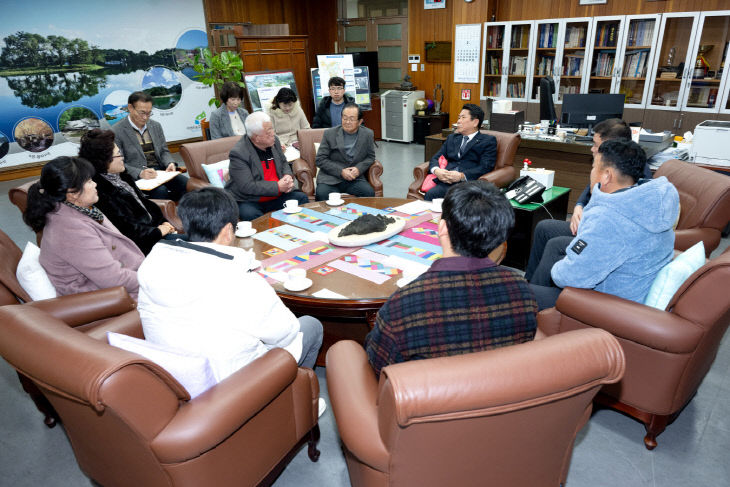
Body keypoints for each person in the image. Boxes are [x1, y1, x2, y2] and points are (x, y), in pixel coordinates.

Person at [137, 187, 323, 379]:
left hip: (178, 375)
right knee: (311, 325)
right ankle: (298, 399)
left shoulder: (153, 265)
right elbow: (285, 333)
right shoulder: (241, 281)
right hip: (234, 384)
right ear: (227, 231)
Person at [365, 180, 538, 376]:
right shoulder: (523, 292)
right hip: (499, 393)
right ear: (500, 235)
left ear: (442, 228)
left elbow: (378, 366)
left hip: (426, 403)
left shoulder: (403, 304)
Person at [529, 139, 679, 310]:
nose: (591, 172)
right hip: (630, 292)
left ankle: (535, 311)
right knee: (555, 247)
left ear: (607, 176)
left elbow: (567, 277)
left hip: (605, 305)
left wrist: (559, 266)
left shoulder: (609, 220)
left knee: (517, 293)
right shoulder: (647, 201)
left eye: (594, 167)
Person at [524, 118, 652, 285]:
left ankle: (537, 291)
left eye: (596, 144)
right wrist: (579, 206)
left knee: (556, 245)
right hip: (592, 224)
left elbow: (613, 227)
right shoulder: (614, 166)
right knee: (544, 227)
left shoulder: (633, 174)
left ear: (612, 145)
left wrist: (589, 221)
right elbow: (590, 189)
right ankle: (530, 281)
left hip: (602, 235)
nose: (592, 149)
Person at [23, 156, 144, 300]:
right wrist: (153, 281)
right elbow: (112, 278)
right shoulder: (69, 230)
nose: (95, 184)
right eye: (88, 181)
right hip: (106, 299)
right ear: (72, 193)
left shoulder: (78, 209)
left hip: (121, 283)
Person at [79, 128, 177, 255]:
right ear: (103, 160)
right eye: (119, 154)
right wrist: (159, 231)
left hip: (156, 235)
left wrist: (164, 223)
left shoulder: (122, 176)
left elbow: (144, 204)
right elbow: (127, 231)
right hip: (142, 247)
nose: (122, 158)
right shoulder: (99, 192)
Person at [226, 111, 309, 220]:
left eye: (272, 128)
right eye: (268, 132)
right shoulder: (239, 153)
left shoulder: (275, 141)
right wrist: (278, 187)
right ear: (256, 138)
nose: (273, 134)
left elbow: (283, 162)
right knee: (251, 215)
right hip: (251, 199)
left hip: (278, 195)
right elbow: (247, 186)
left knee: (301, 198)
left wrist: (287, 176)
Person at [111, 91, 188, 201]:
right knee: (161, 192)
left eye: (149, 113)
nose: (145, 117)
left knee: (186, 184)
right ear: (130, 108)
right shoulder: (117, 131)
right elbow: (118, 163)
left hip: (160, 172)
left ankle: (180, 216)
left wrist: (169, 163)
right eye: (142, 113)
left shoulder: (155, 126)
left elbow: (164, 151)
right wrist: (140, 173)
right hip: (137, 175)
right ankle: (162, 218)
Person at [424, 103, 497, 201]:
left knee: (438, 196)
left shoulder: (488, 141)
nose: (458, 121)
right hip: (446, 181)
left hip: (467, 184)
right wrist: (437, 171)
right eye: (459, 118)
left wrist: (461, 176)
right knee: (431, 194)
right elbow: (435, 158)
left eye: (463, 117)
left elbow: (485, 167)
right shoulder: (452, 138)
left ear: (475, 122)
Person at [314, 103, 376, 201]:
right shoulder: (330, 134)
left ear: (360, 122)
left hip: (354, 179)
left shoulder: (367, 134)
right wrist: (341, 171)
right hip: (330, 178)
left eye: (351, 119)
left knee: (369, 193)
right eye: (344, 118)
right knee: (322, 194)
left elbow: (370, 157)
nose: (347, 122)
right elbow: (320, 159)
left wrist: (359, 169)